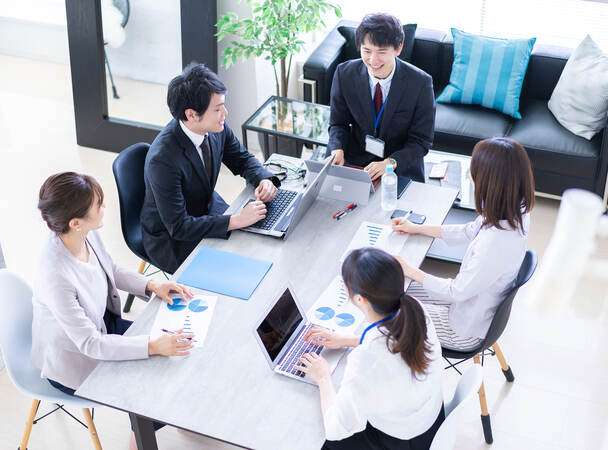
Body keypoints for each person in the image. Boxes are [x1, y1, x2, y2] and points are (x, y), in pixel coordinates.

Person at [32, 172, 194, 444]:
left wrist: (152, 285)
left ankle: (172, 419)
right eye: (99, 205)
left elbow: (111, 269)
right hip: (77, 361)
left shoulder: (84, 234)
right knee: (147, 391)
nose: (104, 208)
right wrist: (153, 346)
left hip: (104, 326)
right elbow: (91, 345)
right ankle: (140, 439)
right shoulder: (55, 275)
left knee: (175, 355)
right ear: (75, 222)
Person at [393, 137, 535, 350]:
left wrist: (410, 269)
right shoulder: (514, 208)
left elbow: (456, 292)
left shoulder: (496, 244)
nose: (470, 177)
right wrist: (417, 227)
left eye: (473, 172)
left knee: (385, 309)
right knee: (394, 288)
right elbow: (469, 230)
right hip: (470, 304)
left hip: (461, 330)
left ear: (490, 182)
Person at [297, 248, 444, 449]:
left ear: (359, 299)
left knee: (322, 442)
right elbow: (392, 343)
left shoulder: (366, 359)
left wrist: (323, 377)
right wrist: (347, 340)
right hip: (431, 420)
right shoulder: (415, 308)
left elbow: (335, 429)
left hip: (402, 441)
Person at [141, 63, 280, 274]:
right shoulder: (163, 160)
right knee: (237, 269)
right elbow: (179, 227)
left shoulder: (215, 128)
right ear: (192, 115)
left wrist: (263, 179)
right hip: (173, 238)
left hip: (207, 209)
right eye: (217, 109)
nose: (225, 112)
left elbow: (241, 159)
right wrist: (235, 220)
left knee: (260, 244)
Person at [327, 13, 435, 182]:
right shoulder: (344, 73)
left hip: (400, 166)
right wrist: (337, 148)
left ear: (398, 48)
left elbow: (421, 142)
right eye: (367, 51)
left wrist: (389, 163)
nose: (373, 60)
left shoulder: (421, 83)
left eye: (382, 52)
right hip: (357, 161)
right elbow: (338, 124)